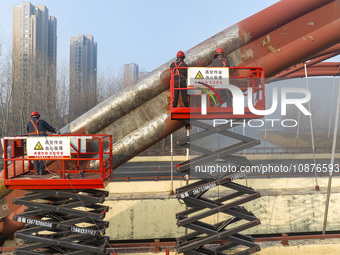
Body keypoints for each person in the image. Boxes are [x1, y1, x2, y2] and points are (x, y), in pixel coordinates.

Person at [27, 111, 58, 175]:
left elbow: (28, 131)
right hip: (42, 140)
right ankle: (41, 171)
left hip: (32, 141)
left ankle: (36, 171)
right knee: (42, 155)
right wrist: (55, 130)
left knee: (34, 156)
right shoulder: (42, 122)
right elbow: (49, 128)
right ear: (38, 116)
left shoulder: (29, 123)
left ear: (32, 117)